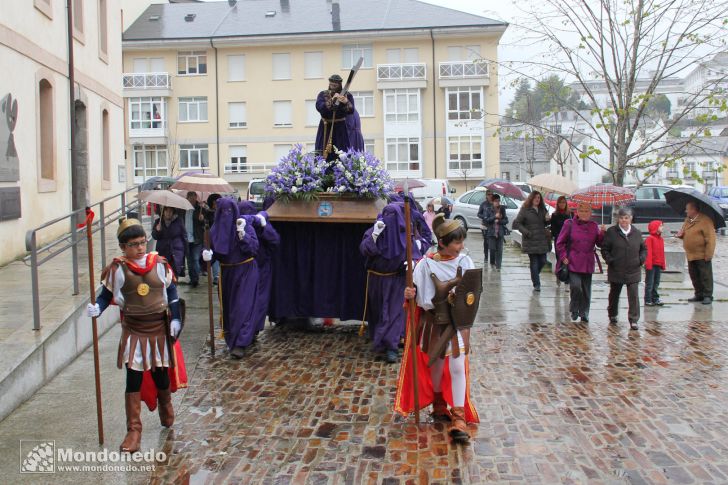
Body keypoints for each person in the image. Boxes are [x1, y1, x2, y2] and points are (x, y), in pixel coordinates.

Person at [86, 218, 182, 453]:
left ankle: (165, 407)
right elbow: (105, 294)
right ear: (123, 247)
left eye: (142, 242)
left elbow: (172, 292)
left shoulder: (159, 263)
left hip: (158, 329)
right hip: (134, 332)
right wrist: (97, 308)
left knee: (160, 375)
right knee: (134, 378)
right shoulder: (117, 269)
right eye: (134, 244)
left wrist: (176, 318)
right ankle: (134, 430)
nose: (140, 248)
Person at [396, 214, 480, 443]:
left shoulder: (465, 262)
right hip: (433, 323)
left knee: (456, 366)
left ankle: (459, 416)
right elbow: (417, 297)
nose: (461, 246)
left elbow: (472, 294)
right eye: (456, 242)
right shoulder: (425, 265)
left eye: (462, 241)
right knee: (436, 365)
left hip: (456, 324)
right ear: (442, 243)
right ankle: (439, 404)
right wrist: (409, 294)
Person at [203, 198, 260, 359]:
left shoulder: (244, 225)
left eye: (230, 211)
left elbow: (254, 248)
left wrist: (244, 236)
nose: (226, 215)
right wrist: (207, 256)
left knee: (242, 307)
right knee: (228, 308)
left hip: (246, 270)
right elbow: (210, 254)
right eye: (223, 212)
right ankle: (231, 340)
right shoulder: (215, 230)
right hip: (227, 272)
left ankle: (241, 343)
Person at [359, 203, 414, 363]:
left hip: (396, 281)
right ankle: (381, 342)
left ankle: (392, 346)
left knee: (393, 313)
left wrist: (410, 263)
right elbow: (364, 249)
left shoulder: (404, 235)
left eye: (393, 216)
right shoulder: (375, 231)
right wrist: (375, 235)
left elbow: (414, 255)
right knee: (378, 313)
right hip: (377, 280)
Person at [556, 203, 606, 323]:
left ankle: (584, 312)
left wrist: (603, 233)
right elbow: (560, 242)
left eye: (587, 211)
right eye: (581, 210)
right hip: (573, 260)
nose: (584, 213)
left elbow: (599, 243)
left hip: (587, 261)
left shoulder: (594, 226)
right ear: (577, 212)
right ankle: (574, 308)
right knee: (576, 286)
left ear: (590, 213)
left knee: (586, 289)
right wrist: (563, 257)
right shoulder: (569, 224)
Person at [238, 201, 280, 337]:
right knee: (259, 298)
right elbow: (274, 240)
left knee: (247, 299)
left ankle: (247, 329)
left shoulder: (239, 224)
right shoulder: (259, 223)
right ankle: (253, 328)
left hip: (248, 266)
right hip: (259, 265)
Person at [601, 208, 646, 330]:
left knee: (633, 295)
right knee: (614, 294)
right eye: (621, 218)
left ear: (631, 218)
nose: (624, 220)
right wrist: (610, 260)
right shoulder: (611, 232)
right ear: (618, 219)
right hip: (616, 269)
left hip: (633, 269)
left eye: (626, 217)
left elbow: (643, 248)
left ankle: (634, 319)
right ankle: (613, 314)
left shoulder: (636, 233)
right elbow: (604, 249)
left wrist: (640, 260)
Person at [677, 201, 716, 305]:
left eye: (687, 209)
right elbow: (684, 232)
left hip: (702, 254)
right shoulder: (687, 220)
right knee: (694, 275)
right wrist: (680, 235)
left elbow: (711, 239)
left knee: (705, 275)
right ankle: (699, 294)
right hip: (690, 254)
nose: (686, 211)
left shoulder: (705, 220)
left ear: (694, 210)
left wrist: (709, 254)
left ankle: (707, 295)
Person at [512, 190, 551, 291]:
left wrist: (548, 219)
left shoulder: (543, 209)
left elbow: (545, 224)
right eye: (535, 197)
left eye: (539, 198)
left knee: (543, 261)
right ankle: (536, 284)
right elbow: (517, 223)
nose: (537, 199)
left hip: (542, 240)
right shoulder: (525, 209)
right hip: (530, 240)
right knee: (534, 262)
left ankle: (534, 275)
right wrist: (526, 232)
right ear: (531, 198)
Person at [315, 74, 356, 160]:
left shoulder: (347, 95)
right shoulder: (322, 94)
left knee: (341, 152)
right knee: (323, 153)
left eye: (335, 84)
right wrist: (332, 100)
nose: (332, 86)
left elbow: (351, 111)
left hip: (340, 128)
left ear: (340, 85)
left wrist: (346, 102)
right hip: (326, 127)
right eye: (331, 83)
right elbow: (320, 107)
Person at [152, 206, 187, 278]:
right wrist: (157, 231)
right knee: (163, 273)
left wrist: (186, 250)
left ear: (173, 212)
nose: (168, 213)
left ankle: (174, 287)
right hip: (163, 251)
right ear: (163, 212)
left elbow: (184, 235)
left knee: (174, 273)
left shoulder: (179, 221)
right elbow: (154, 236)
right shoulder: (158, 221)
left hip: (176, 251)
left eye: (170, 211)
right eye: (166, 211)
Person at [184, 191, 206, 288]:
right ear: (187, 198)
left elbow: (206, 223)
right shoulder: (182, 209)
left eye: (194, 198)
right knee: (189, 261)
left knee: (196, 259)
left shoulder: (200, 209)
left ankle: (196, 278)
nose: (192, 200)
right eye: (190, 198)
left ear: (196, 198)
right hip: (186, 239)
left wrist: (203, 219)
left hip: (197, 239)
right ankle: (192, 279)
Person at [482, 193, 509, 270]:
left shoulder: (502, 209)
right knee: (492, 249)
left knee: (499, 250)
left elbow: (506, 220)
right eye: (496, 201)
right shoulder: (488, 209)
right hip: (491, 233)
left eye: (498, 201)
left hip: (500, 233)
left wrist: (500, 221)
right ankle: (492, 262)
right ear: (492, 202)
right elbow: (486, 220)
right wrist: (494, 217)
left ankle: (498, 266)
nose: (497, 202)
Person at [550, 196, 571, 286]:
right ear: (557, 204)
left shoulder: (570, 214)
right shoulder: (554, 215)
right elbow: (553, 229)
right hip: (559, 240)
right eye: (560, 202)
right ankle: (559, 275)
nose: (562, 204)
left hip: (569, 241)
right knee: (560, 258)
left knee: (568, 259)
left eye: (564, 202)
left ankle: (567, 281)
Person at [644, 220, 666, 306]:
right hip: (651, 265)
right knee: (650, 282)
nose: (662, 227)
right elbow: (648, 253)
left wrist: (663, 264)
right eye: (660, 226)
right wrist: (648, 264)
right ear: (655, 228)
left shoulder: (661, 239)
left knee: (656, 282)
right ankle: (648, 299)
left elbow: (662, 253)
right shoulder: (650, 239)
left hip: (658, 264)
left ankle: (655, 298)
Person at [477, 190, 495, 267]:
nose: (490, 195)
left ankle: (493, 258)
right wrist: (484, 217)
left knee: (493, 242)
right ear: (486, 195)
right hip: (485, 226)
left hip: (493, 226)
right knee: (486, 242)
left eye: (491, 194)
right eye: (489, 194)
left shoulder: (495, 203)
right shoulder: (483, 204)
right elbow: (478, 214)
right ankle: (486, 257)